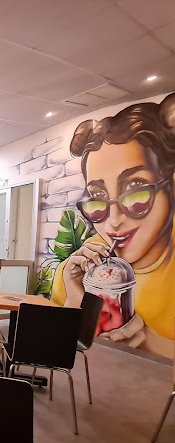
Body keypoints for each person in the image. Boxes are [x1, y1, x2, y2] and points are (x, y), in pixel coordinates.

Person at [51, 92, 175, 356]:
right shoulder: (79, 267)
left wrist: (150, 343)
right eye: (98, 198)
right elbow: (57, 347)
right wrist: (75, 298)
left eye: (136, 191)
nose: (114, 220)